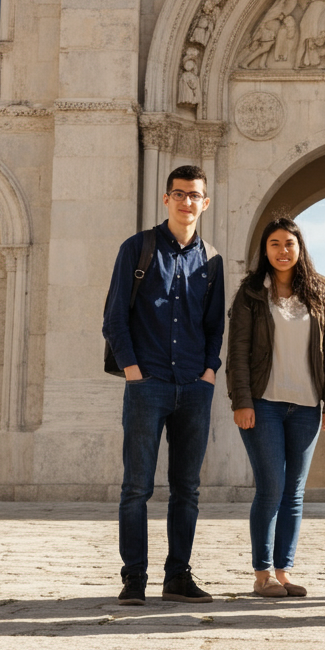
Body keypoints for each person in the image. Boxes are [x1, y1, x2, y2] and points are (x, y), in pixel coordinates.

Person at [103, 165, 224, 606]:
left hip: (194, 385)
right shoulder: (137, 248)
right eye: (179, 194)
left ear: (205, 203)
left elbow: (215, 325)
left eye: (194, 195)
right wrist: (134, 371)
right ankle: (134, 578)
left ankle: (178, 576)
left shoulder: (212, 259)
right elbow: (114, 318)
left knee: (187, 489)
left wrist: (209, 372)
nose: (186, 201)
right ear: (166, 199)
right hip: (148, 383)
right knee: (136, 486)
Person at [226, 217, 325, 597]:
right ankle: (262, 574)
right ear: (265, 250)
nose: (282, 250)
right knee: (271, 487)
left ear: (299, 248)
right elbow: (238, 353)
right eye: (274, 244)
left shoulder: (317, 294)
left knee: (294, 492)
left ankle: (284, 569)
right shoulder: (251, 295)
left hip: (307, 406)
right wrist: (241, 401)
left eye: (289, 243)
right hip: (264, 405)